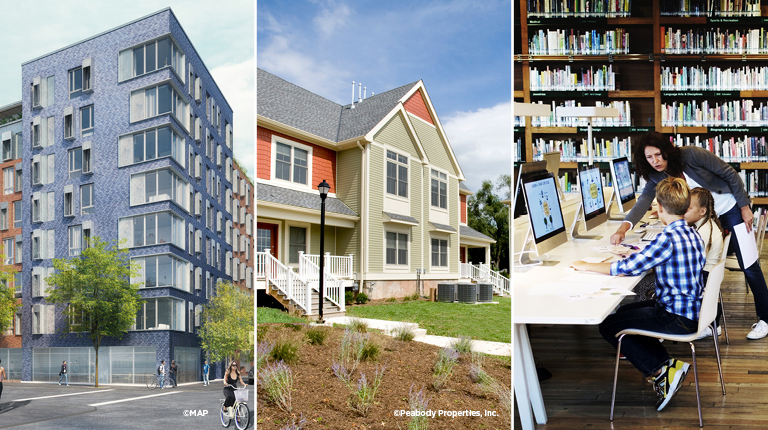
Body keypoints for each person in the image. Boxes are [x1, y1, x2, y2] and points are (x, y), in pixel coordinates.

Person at [610, 132, 768, 340]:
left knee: (749, 264)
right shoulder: (656, 175)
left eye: (658, 154)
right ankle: (709, 322)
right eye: (649, 158)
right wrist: (623, 228)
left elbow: (729, 173)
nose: (655, 161)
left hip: (729, 208)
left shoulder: (692, 155)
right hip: (702, 219)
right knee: (701, 267)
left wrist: (744, 207)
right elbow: (644, 199)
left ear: (666, 151)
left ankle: (765, 318)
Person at [572, 177, 705, 412]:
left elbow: (625, 269)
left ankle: (659, 372)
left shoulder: (668, 238)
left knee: (607, 325)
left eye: (655, 205)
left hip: (675, 317)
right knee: (624, 313)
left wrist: (586, 265)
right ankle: (668, 365)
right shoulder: (690, 232)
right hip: (690, 310)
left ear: (661, 208)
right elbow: (648, 260)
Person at [685, 187, 726, 339]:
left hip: (703, 277)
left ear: (702, 211)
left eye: (688, 208)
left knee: (651, 284)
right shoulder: (705, 225)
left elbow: (692, 263)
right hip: (708, 275)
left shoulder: (703, 232)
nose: (683, 211)